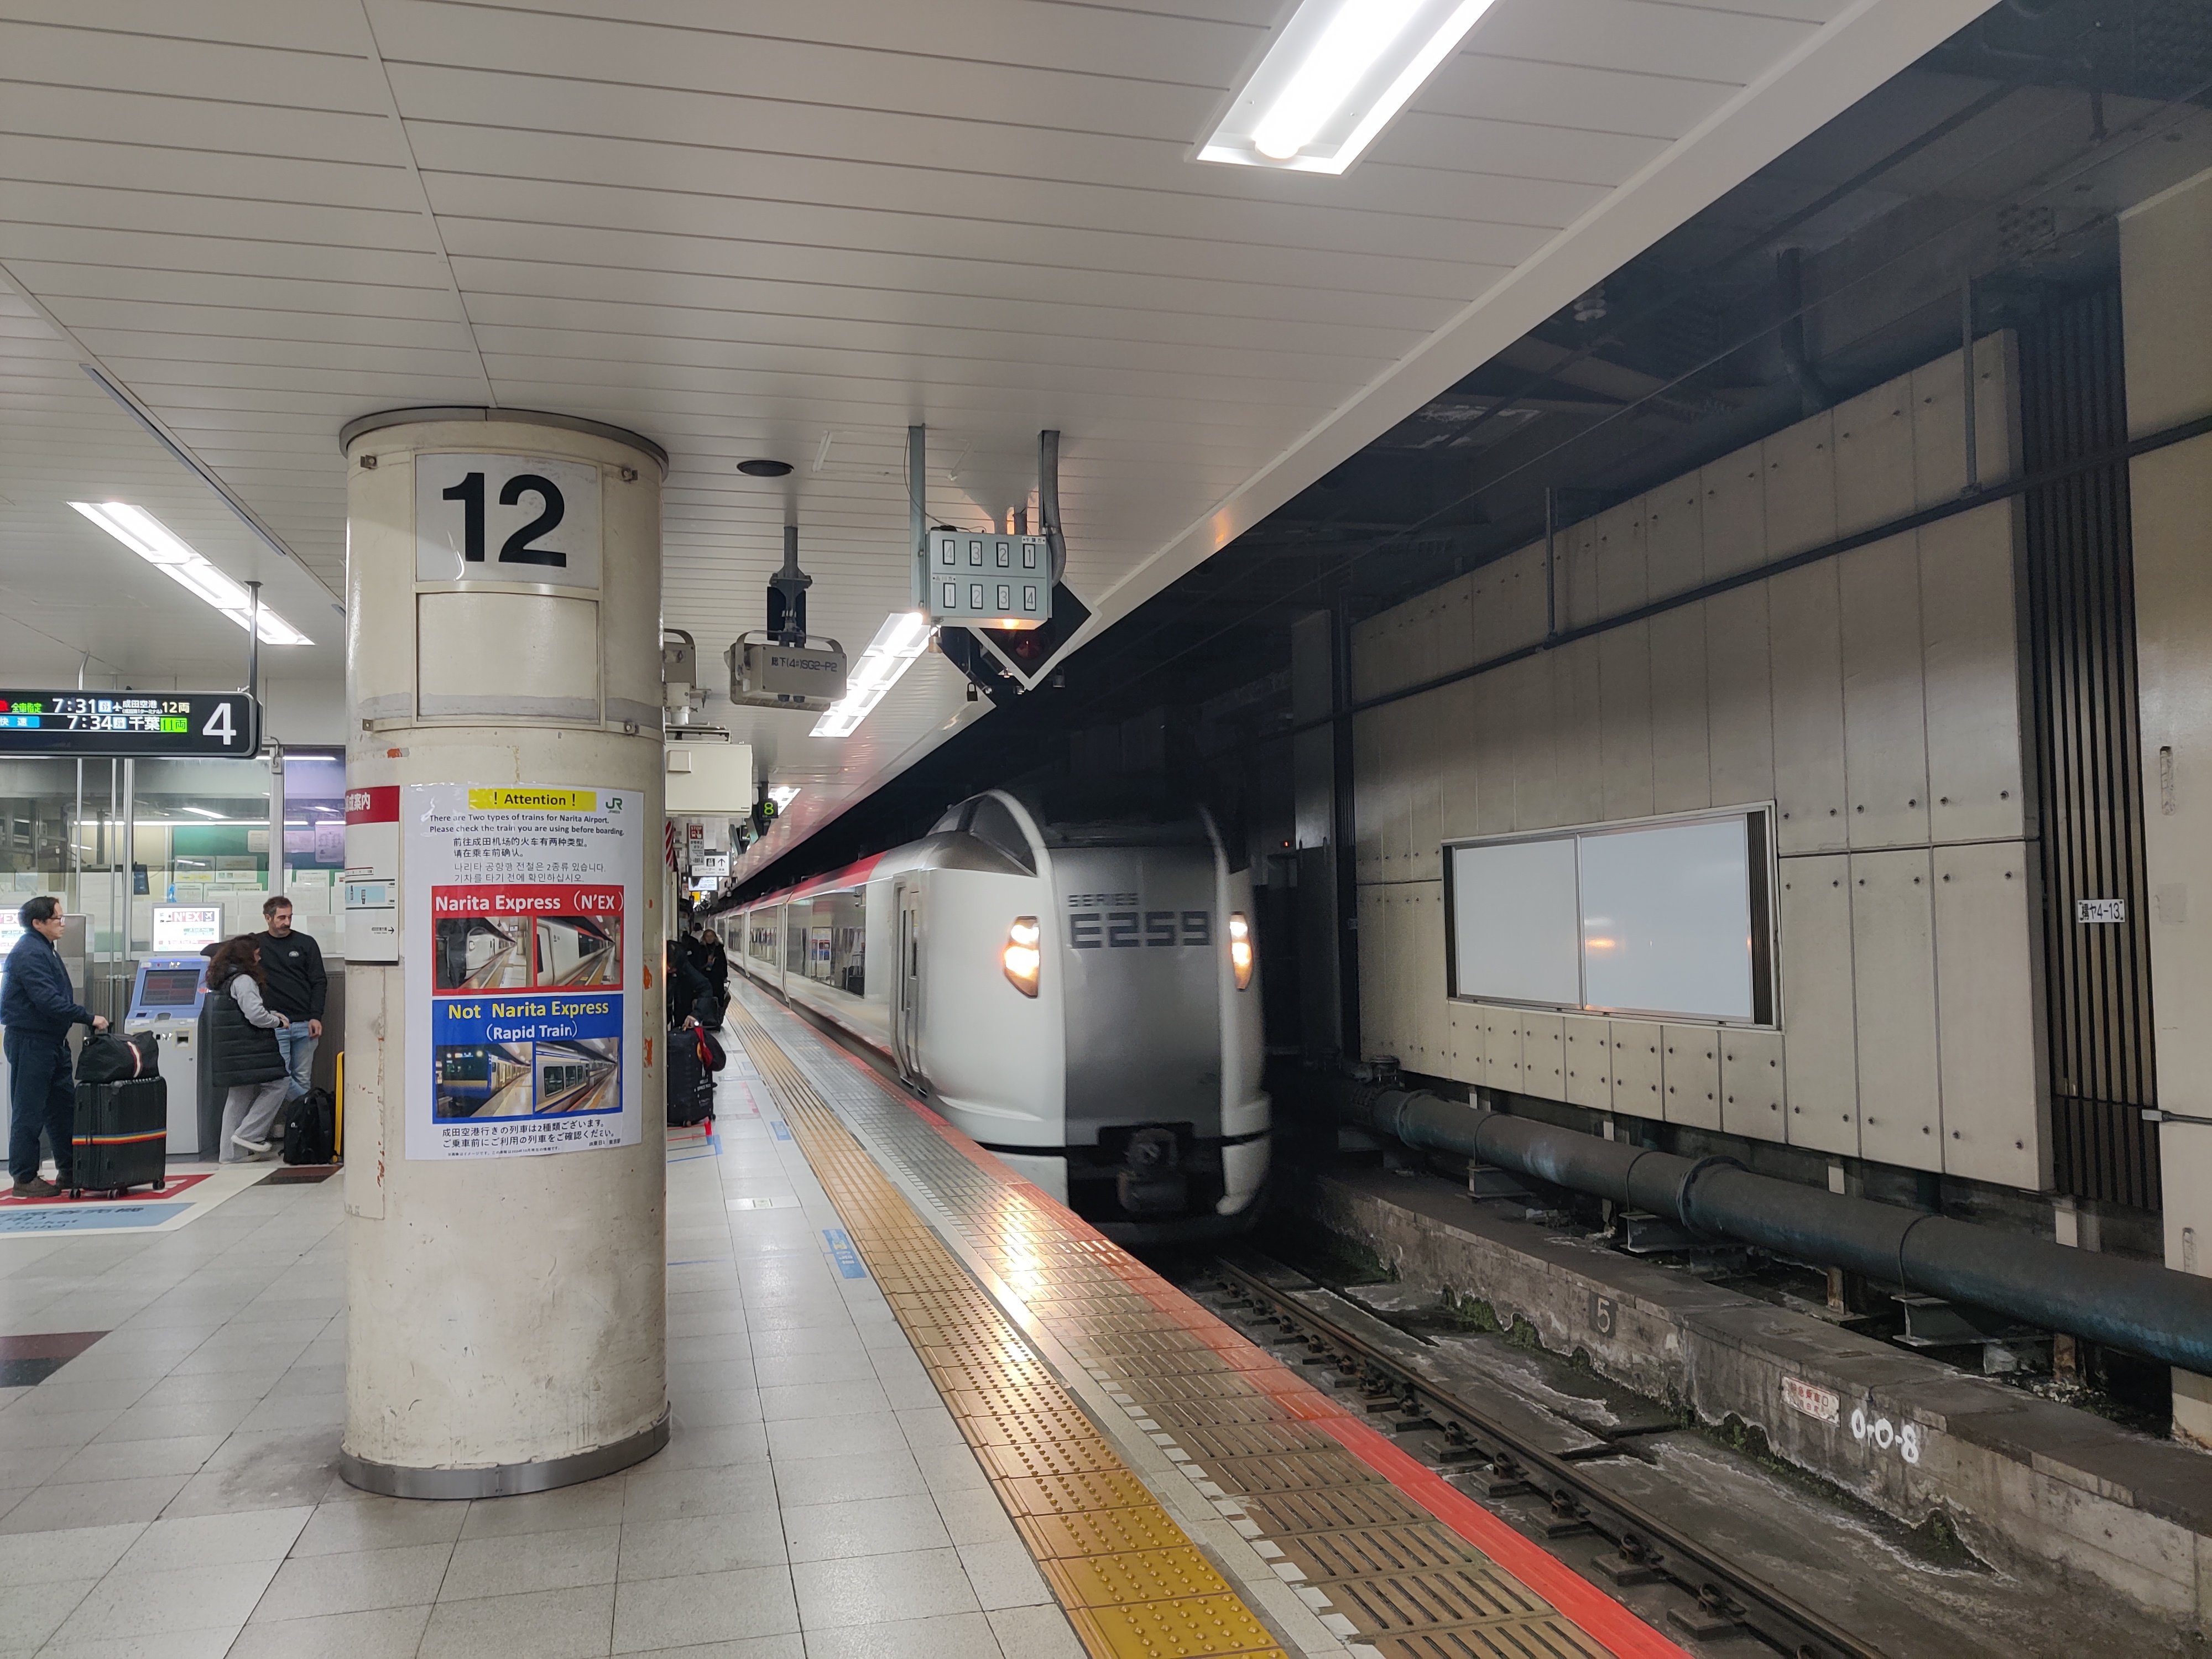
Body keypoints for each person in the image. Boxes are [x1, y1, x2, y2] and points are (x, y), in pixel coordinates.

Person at [2, 896, 106, 1197]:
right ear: (38, 923)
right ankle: (24, 1177)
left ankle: (70, 1170)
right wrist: (89, 1017)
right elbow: (47, 1001)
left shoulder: (44, 948)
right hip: (31, 1041)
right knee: (30, 1110)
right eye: (57, 919)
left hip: (52, 1042)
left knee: (62, 1109)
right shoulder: (29, 953)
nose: (62, 924)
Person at [207, 935, 290, 1161]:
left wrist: (269, 1014)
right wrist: (277, 1021)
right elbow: (255, 1015)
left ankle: (230, 1154)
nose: (259, 957)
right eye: (256, 953)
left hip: (230, 1049)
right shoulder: (243, 980)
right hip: (248, 1047)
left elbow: (241, 1011)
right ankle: (250, 1134)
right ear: (246, 955)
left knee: (238, 1096)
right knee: (279, 1084)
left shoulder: (223, 978)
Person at [254, 895, 326, 1106]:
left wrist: (316, 1016)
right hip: (275, 1023)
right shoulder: (256, 945)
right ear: (268, 918)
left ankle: (299, 1123)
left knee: (303, 1079)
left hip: (305, 1023)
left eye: (290, 917)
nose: (287, 922)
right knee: (281, 1079)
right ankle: (312, 1110)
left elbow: (319, 982)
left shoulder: (306, 943)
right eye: (282, 918)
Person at [695, 924, 729, 1018]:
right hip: (705, 977)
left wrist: (725, 976)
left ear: (715, 937)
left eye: (711, 936)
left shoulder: (719, 948)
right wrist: (706, 963)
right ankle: (706, 1017)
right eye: (707, 936)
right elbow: (697, 963)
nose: (710, 938)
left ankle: (717, 1017)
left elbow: (724, 963)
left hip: (717, 978)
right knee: (706, 997)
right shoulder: (701, 948)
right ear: (704, 938)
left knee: (718, 996)